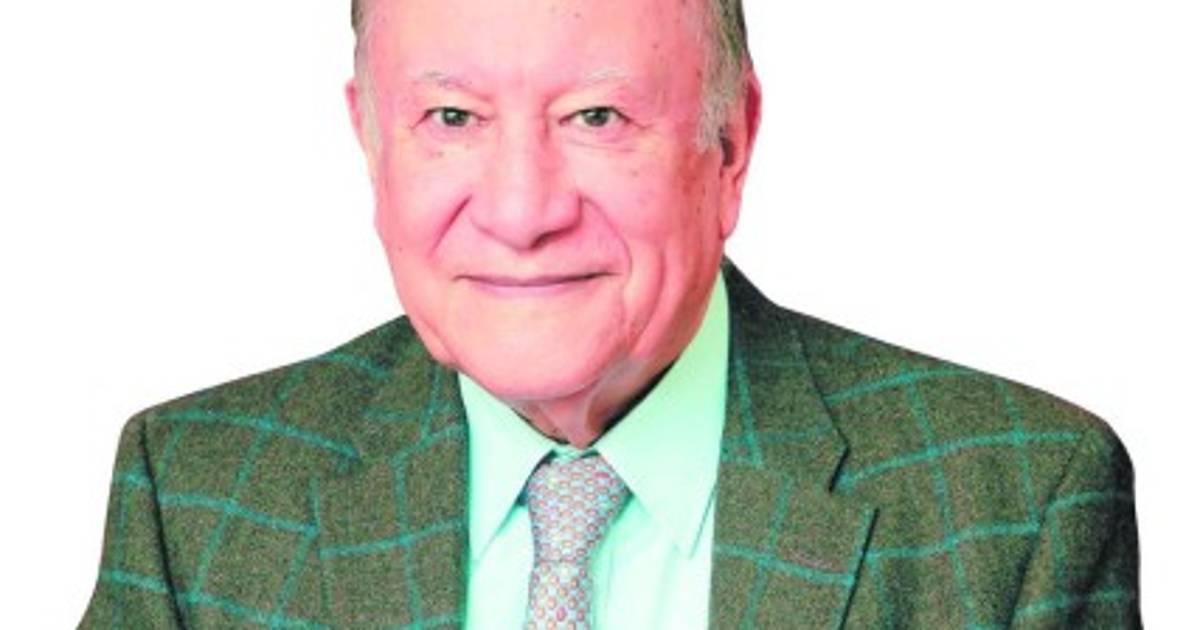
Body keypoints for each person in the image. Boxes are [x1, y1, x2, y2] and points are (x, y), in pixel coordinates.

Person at [79, 0, 1140, 627]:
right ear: (369, 140)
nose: (522, 211)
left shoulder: (1015, 510)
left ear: (730, 144)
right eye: (451, 117)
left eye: (597, 116)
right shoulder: (198, 500)